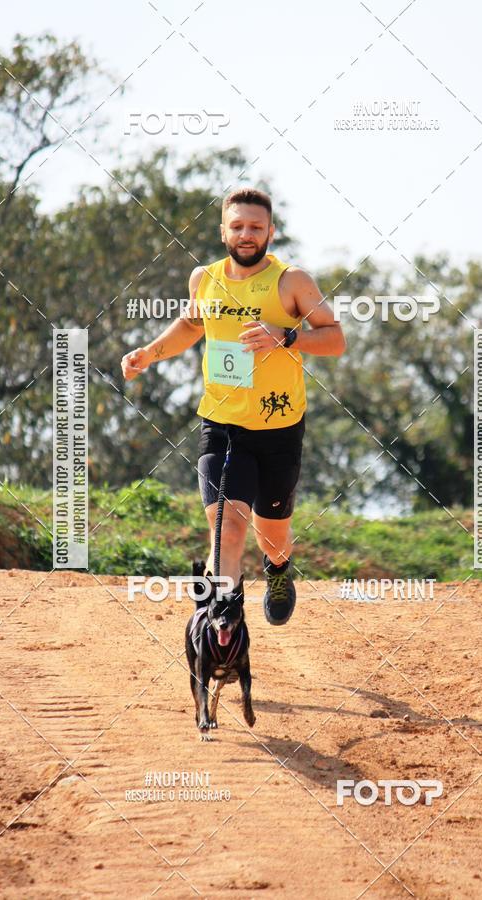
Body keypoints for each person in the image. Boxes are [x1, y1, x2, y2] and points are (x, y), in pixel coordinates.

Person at [121, 187, 345, 624]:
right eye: (238, 226)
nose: (246, 234)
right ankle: (219, 630)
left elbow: (335, 339)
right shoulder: (204, 278)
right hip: (221, 426)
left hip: (279, 430)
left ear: (271, 232)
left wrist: (286, 336)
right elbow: (190, 324)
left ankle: (278, 571)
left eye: (256, 227)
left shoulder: (291, 281)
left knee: (272, 537)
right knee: (226, 529)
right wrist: (150, 353)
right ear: (223, 230)